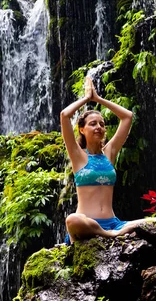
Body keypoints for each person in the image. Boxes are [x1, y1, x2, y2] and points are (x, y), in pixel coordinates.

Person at [61, 76, 149, 244]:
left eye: (102, 124)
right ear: (81, 129)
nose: (99, 127)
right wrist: (87, 98)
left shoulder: (109, 152)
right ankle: (110, 235)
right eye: (93, 124)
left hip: (114, 223)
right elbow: (65, 115)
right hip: (86, 224)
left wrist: (99, 99)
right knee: (72, 220)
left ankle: (113, 232)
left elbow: (127, 117)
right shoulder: (78, 155)